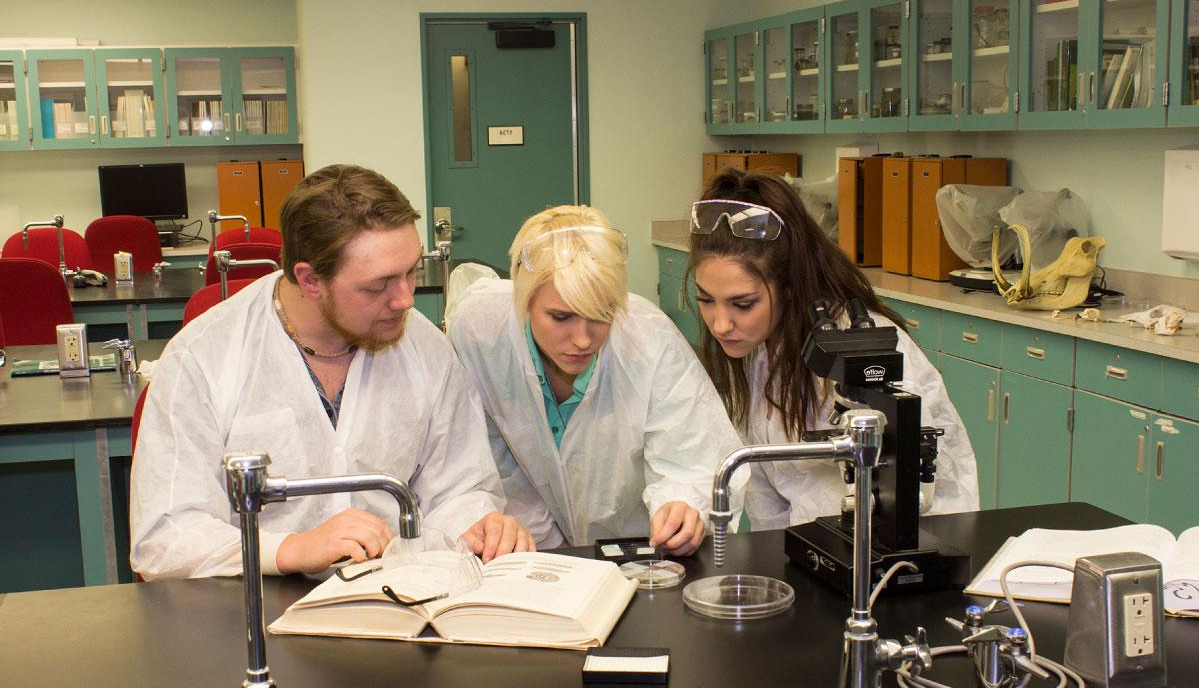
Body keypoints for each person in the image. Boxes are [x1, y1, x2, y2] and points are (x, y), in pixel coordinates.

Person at [130, 164, 534, 580]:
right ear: (310, 280)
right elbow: (165, 537)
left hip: (396, 600)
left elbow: (458, 488)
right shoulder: (204, 357)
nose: (405, 300)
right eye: (378, 286)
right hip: (254, 612)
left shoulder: (425, 349)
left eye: (411, 271)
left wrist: (478, 525)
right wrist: (292, 548)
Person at [687, 169, 979, 529]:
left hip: (903, 541)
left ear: (789, 287)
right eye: (706, 300)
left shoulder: (860, 346)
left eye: (742, 304)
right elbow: (766, 486)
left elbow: (920, 491)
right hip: (813, 546)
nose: (720, 323)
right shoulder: (759, 349)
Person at [446, 205, 745, 555]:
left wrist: (682, 504)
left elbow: (694, 455)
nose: (583, 339)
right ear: (524, 302)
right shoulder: (482, 333)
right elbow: (483, 454)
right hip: (522, 552)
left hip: (635, 550)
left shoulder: (649, 340)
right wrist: (546, 540)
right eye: (561, 317)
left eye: (601, 315)